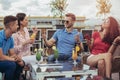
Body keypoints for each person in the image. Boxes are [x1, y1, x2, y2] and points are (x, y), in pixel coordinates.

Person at [0, 15, 24, 80]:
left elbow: (12, 54)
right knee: (11, 65)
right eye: (16, 25)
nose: (18, 26)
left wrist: (18, 59)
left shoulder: (10, 38)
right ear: (11, 26)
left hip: (2, 60)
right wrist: (13, 59)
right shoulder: (0, 37)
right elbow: (1, 57)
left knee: (20, 63)